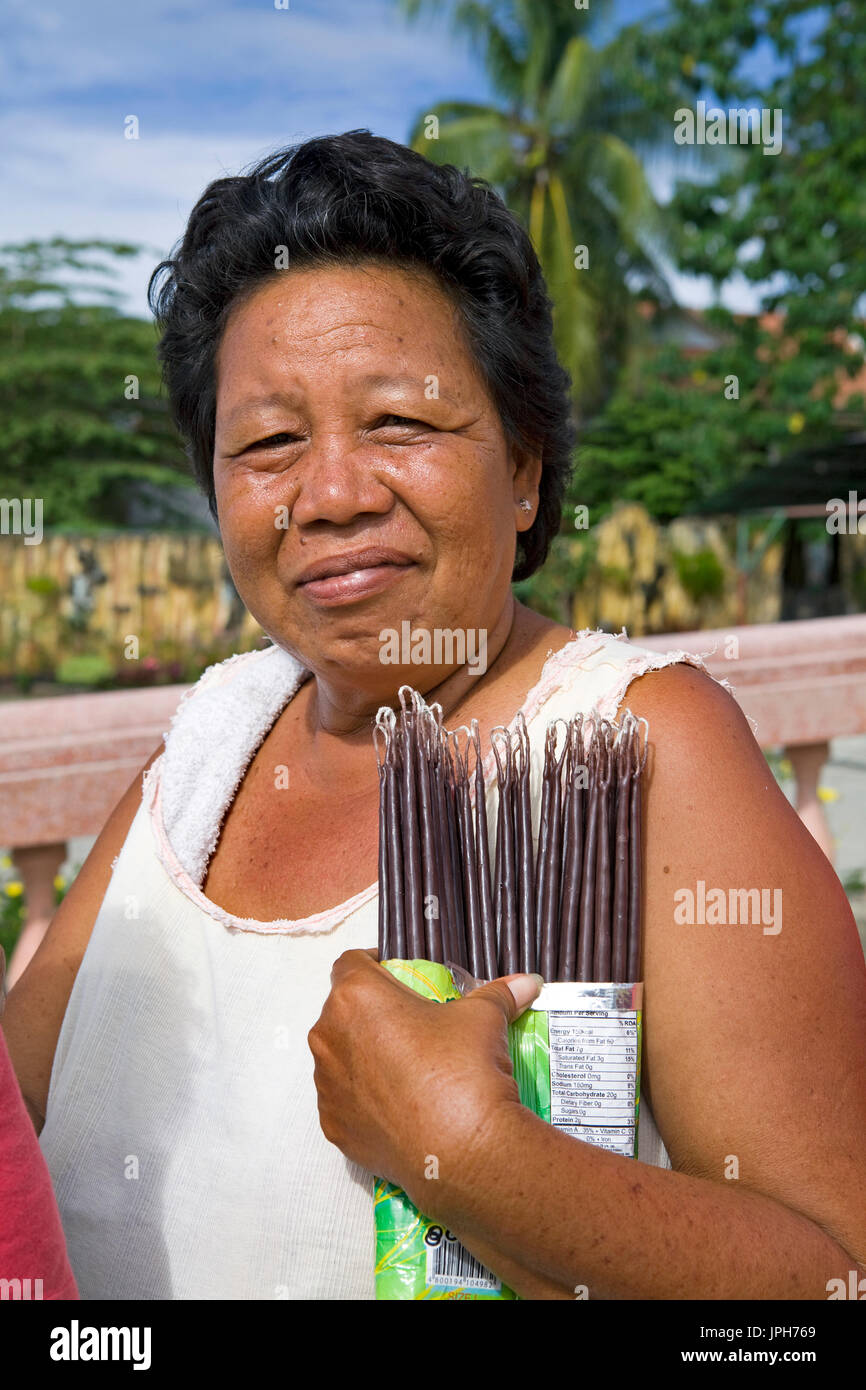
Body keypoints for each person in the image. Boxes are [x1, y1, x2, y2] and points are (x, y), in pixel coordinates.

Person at [3, 131, 864, 1299]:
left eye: (400, 424)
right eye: (268, 443)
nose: (331, 495)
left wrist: (471, 1154)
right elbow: (17, 1121)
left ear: (523, 468)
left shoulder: (632, 746)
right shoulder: (213, 740)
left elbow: (829, 1277)